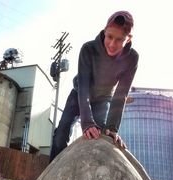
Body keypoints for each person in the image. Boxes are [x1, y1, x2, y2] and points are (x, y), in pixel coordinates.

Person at [49, 10, 139, 162]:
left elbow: (121, 94)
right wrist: (87, 122)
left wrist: (112, 127)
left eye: (119, 40)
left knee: (102, 135)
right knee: (60, 136)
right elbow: (83, 86)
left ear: (128, 38)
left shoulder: (132, 58)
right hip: (79, 94)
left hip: (103, 99)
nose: (112, 44)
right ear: (104, 31)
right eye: (110, 36)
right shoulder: (88, 49)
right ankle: (50, 178)